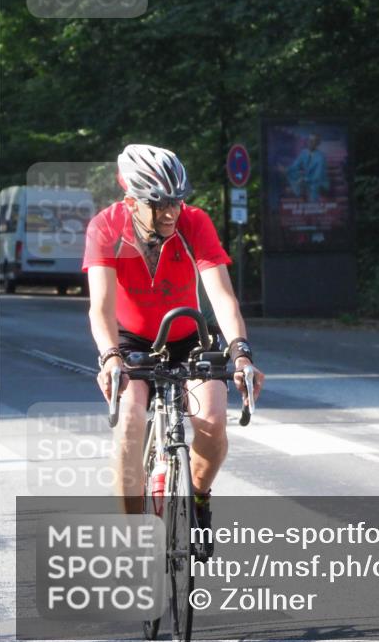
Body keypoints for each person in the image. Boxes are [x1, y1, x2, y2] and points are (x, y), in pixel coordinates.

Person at [84, 144, 265, 544]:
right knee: (130, 422)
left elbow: (222, 297)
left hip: (189, 333)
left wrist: (241, 352)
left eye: (177, 202)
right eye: (159, 204)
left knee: (213, 420)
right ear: (131, 201)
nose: (171, 213)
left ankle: (199, 495)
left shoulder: (194, 223)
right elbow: (100, 308)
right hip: (130, 339)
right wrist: (110, 357)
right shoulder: (106, 227)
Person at [286, 133, 330, 202]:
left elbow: (317, 177)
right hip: (307, 178)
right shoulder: (303, 152)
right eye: (309, 140)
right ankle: (298, 192)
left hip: (319, 182)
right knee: (292, 173)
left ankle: (313, 205)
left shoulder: (321, 157)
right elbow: (295, 165)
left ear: (317, 143)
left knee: (314, 186)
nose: (310, 143)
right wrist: (286, 169)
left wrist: (302, 180)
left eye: (313, 141)